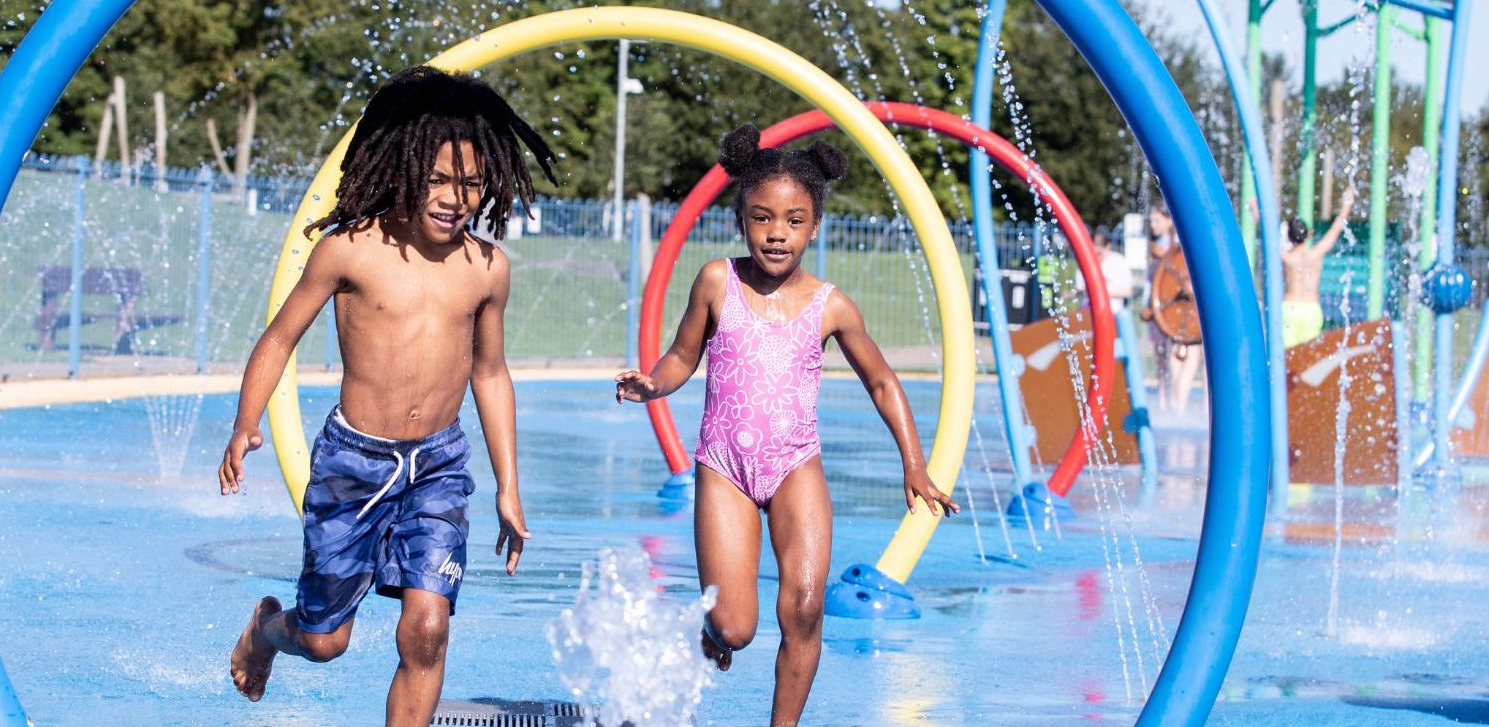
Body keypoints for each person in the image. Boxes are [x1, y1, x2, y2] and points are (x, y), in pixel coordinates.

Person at [216, 65, 555, 726]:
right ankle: (266, 631)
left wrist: (508, 486)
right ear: (403, 169)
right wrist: (244, 423)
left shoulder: (487, 269)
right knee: (324, 640)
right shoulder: (350, 252)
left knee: (426, 630)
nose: (454, 198)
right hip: (354, 464)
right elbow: (279, 338)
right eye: (437, 180)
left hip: (438, 465)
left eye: (470, 183)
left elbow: (489, 373)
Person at [614, 125, 960, 727]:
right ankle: (712, 629)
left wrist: (913, 463)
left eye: (795, 220)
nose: (778, 233)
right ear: (741, 218)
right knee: (736, 626)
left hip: (796, 463)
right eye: (763, 217)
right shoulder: (717, 282)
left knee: (803, 608)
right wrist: (654, 383)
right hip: (725, 466)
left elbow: (882, 382)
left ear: (815, 225)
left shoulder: (831, 304)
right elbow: (682, 357)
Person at [1145, 205, 1203, 418]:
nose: (1153, 224)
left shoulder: (1174, 246)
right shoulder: (1168, 246)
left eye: (1157, 220)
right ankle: (1174, 402)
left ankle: (1178, 402)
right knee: (1174, 351)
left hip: (1184, 307)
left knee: (1186, 351)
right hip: (1172, 306)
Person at [1282, 188, 1355, 347]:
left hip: (1290, 310)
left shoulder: (1287, 258)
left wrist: (1257, 214)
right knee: (1309, 362)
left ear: (1289, 237)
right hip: (1312, 311)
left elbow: (1270, 243)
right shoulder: (1316, 254)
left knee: (1286, 360)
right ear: (1308, 234)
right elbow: (1335, 231)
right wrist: (1346, 207)